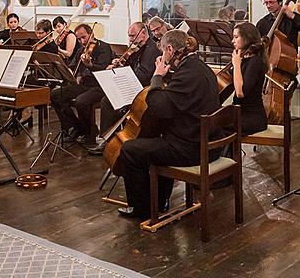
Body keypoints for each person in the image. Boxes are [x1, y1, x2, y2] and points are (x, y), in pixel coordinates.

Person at [118, 29, 220, 220]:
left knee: (130, 149)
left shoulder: (187, 74)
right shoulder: (199, 67)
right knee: (158, 141)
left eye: (163, 51)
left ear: (170, 49)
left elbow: (159, 107)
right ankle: (160, 200)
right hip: (209, 143)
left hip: (192, 149)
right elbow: (177, 99)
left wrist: (157, 76)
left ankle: (142, 209)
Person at [89, 22, 161, 155]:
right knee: (109, 99)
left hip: (142, 91)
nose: (131, 40)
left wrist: (123, 73)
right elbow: (133, 66)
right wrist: (120, 64)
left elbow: (143, 75)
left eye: (133, 36)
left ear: (144, 33)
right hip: (134, 87)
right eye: (129, 36)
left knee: (109, 101)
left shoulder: (151, 50)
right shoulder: (140, 48)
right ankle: (110, 138)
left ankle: (111, 140)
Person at [50, 23, 113, 145]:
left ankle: (89, 133)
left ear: (91, 34)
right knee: (56, 94)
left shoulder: (103, 48)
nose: (82, 41)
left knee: (81, 101)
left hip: (99, 85)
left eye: (84, 37)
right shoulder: (80, 50)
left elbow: (103, 68)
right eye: (79, 39)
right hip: (84, 84)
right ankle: (75, 127)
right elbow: (73, 66)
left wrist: (90, 65)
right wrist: (70, 72)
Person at [230, 22, 268, 135]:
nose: (233, 41)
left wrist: (236, 65)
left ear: (247, 38)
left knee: (215, 128)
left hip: (252, 117)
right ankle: (227, 152)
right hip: (240, 113)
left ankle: (227, 152)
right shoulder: (245, 59)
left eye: (236, 37)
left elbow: (240, 93)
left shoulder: (255, 61)